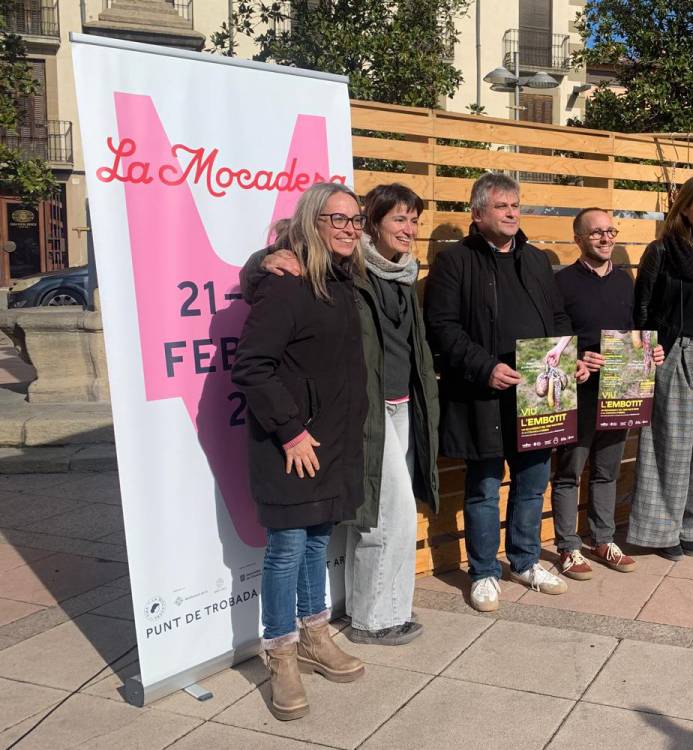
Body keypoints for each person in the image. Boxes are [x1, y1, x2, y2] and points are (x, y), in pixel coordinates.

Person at [241, 183, 441, 648]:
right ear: (376, 225)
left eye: (414, 220)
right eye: (398, 219)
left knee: (372, 515)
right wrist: (261, 262)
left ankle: (377, 609)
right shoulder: (350, 268)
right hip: (364, 410)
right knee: (386, 513)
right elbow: (269, 277)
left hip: (400, 405)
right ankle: (373, 618)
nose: (408, 229)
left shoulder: (402, 274)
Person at [233, 182, 368, 721]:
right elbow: (252, 367)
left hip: (330, 440)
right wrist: (290, 430)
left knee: (316, 541)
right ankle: (281, 653)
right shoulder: (285, 283)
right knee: (287, 547)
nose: (349, 229)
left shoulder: (343, 280)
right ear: (313, 222)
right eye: (338, 219)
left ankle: (315, 635)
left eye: (355, 220)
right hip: (290, 443)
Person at [424, 172, 589, 612]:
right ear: (478, 214)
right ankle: (483, 572)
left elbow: (558, 317)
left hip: (536, 395)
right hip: (483, 396)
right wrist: (484, 367)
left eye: (515, 205)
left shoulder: (535, 260)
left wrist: (567, 358)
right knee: (483, 487)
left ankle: (525, 561)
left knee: (532, 484)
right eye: (501, 206)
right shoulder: (455, 262)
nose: (512, 213)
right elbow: (441, 327)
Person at [550, 207, 664, 580]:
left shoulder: (624, 281)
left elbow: (633, 330)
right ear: (578, 239)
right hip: (580, 389)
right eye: (596, 232)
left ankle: (602, 539)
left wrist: (651, 352)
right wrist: (576, 357)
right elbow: (551, 337)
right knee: (570, 471)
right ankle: (568, 546)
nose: (605, 238)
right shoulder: (562, 283)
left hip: (620, 389)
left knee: (607, 471)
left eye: (610, 231)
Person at [628, 174, 693, 561]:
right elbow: (642, 307)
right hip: (675, 353)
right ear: (685, 208)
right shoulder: (662, 250)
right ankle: (663, 530)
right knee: (669, 447)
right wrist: (650, 349)